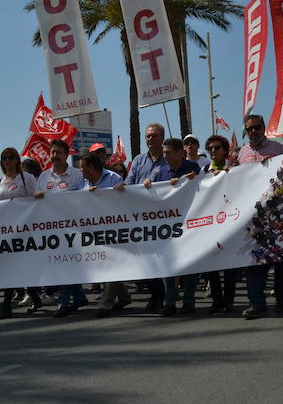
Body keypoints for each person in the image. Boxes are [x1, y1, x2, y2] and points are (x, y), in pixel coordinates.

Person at [238, 114, 283, 320]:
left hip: (277, 214)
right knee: (254, 261)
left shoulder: (279, 149)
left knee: (281, 261)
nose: (253, 131)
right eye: (249, 129)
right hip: (252, 216)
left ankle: (282, 302)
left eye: (257, 127)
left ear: (264, 127)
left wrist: (275, 165)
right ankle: (257, 304)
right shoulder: (242, 153)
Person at [143, 138, 201, 316]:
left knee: (190, 264)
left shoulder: (193, 167)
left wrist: (191, 180)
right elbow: (149, 189)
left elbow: (204, 187)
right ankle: (169, 302)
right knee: (167, 264)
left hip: (189, 223)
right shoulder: (160, 171)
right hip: (167, 227)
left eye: (168, 152)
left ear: (180, 153)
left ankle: (189, 300)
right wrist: (147, 183)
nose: (165, 156)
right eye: (164, 152)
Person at [118, 123, 168, 311]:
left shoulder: (168, 158)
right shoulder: (139, 160)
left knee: (161, 258)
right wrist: (123, 186)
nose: (150, 139)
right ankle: (156, 295)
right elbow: (130, 181)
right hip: (141, 216)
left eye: (154, 135)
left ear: (162, 138)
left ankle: (163, 297)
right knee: (145, 258)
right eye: (148, 136)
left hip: (162, 215)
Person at [35, 139, 86, 318]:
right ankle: (79, 297)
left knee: (67, 263)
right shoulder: (43, 177)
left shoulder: (76, 175)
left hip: (73, 229)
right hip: (51, 230)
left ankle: (63, 302)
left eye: (58, 152)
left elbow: (86, 199)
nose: (55, 156)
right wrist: (37, 196)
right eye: (52, 152)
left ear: (66, 155)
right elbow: (34, 201)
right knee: (60, 263)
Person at [78, 153, 130, 318]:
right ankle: (124, 297)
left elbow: (124, 200)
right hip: (93, 232)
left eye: (82, 168)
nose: (80, 171)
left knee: (112, 266)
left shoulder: (113, 178)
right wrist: (86, 194)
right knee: (102, 266)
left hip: (114, 230)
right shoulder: (82, 182)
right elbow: (75, 200)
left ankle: (105, 304)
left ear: (91, 168)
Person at [0, 147, 39, 319]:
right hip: (6, 230)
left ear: (17, 160)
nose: (7, 161)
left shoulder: (26, 178)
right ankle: (29, 299)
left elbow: (34, 199)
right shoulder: (0, 180)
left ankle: (8, 304)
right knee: (12, 265)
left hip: (24, 228)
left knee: (18, 265)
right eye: (4, 158)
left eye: (11, 157)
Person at [201, 135, 240, 314]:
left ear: (225, 150)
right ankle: (217, 300)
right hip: (210, 223)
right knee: (211, 264)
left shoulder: (235, 169)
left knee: (230, 265)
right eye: (210, 148)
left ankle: (229, 301)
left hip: (230, 220)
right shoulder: (203, 171)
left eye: (217, 147)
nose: (213, 151)